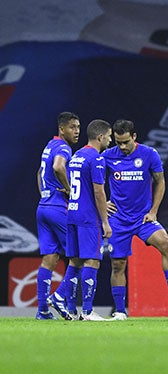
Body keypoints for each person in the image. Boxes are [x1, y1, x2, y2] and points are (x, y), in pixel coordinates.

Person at [102, 119, 168, 321]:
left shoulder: (150, 154)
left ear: (134, 137)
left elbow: (160, 182)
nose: (122, 147)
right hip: (118, 220)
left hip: (143, 218)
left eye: (125, 142)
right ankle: (120, 311)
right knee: (118, 264)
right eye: (118, 142)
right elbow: (93, 181)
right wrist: (102, 203)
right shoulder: (107, 156)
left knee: (166, 244)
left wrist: (154, 211)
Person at [47, 119, 113, 321]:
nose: (110, 141)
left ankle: (59, 298)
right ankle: (87, 310)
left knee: (75, 260)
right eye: (109, 136)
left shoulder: (77, 156)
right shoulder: (97, 159)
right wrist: (105, 222)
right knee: (93, 260)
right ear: (100, 137)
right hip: (87, 217)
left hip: (72, 214)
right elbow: (98, 192)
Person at [35, 112, 80, 319]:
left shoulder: (49, 146)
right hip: (57, 208)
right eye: (72, 127)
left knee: (50, 258)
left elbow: (39, 173)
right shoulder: (63, 147)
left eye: (78, 127)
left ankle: (42, 310)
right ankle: (60, 297)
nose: (77, 131)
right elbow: (58, 167)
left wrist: (45, 193)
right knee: (80, 254)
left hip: (43, 206)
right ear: (61, 129)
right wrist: (69, 190)